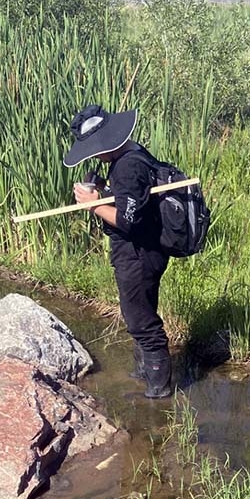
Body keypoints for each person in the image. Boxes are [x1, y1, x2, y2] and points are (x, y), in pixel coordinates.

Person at [64, 104, 173, 399]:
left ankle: (159, 394)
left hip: (138, 254)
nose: (94, 155)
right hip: (148, 250)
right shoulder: (133, 153)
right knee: (138, 312)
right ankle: (143, 375)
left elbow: (127, 220)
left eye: (94, 149)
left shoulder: (127, 166)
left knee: (141, 322)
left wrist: (93, 204)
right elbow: (134, 201)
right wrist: (105, 190)